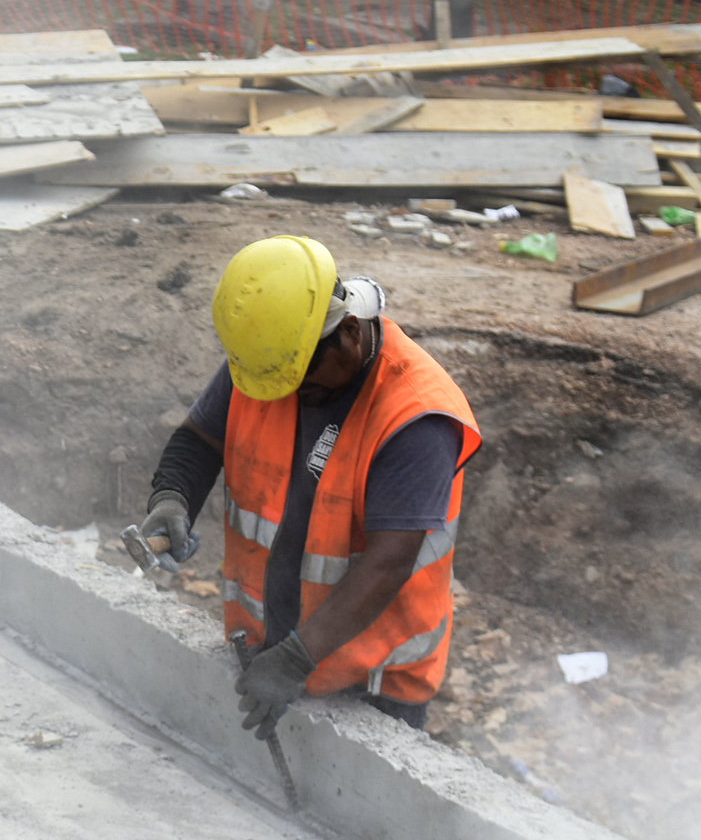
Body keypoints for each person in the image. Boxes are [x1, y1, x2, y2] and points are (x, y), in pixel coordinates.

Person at [133, 237, 481, 736]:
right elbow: (200, 439)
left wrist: (297, 659)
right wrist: (172, 495)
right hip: (270, 653)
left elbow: (388, 562)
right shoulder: (274, 359)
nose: (290, 396)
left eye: (305, 382)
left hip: (373, 687)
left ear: (350, 333)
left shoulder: (415, 418)